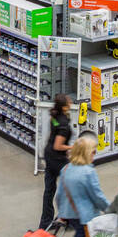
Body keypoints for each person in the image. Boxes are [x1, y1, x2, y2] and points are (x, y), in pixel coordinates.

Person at [55, 134, 109, 237]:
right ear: (85, 152)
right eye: (93, 151)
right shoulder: (88, 172)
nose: (95, 154)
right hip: (84, 217)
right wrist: (110, 209)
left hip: (70, 215)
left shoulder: (66, 169)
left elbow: (59, 194)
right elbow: (97, 196)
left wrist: (61, 212)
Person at [39, 93, 74, 229]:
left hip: (49, 156)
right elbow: (58, 146)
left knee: (49, 190)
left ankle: (45, 223)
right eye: (69, 101)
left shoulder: (55, 117)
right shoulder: (64, 124)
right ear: (64, 107)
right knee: (69, 188)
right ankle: (65, 219)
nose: (71, 101)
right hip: (57, 159)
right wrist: (73, 147)